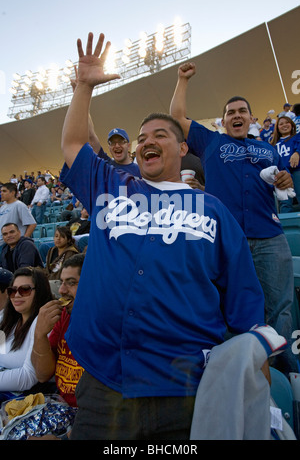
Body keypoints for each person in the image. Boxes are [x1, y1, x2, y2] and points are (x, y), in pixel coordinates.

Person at [59, 32, 267, 440]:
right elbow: (72, 143)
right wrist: (84, 86)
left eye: (160, 135)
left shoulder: (215, 210)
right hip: (105, 383)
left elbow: (244, 299)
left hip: (185, 389)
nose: (147, 142)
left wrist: (255, 362)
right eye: (142, 138)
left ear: (183, 146)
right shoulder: (111, 186)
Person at [170, 61, 299, 376]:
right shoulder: (211, 142)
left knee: (279, 308)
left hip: (269, 236)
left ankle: (283, 373)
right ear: (223, 120)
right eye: (231, 112)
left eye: (242, 111)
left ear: (252, 119)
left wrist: (286, 181)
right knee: (227, 308)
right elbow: (177, 117)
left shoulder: (268, 151)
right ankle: (238, 369)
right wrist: (182, 80)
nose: (237, 115)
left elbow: (283, 180)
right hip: (226, 241)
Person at [32, 254, 85, 407]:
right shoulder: (64, 316)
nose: (61, 290)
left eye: (71, 283)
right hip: (61, 404)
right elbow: (42, 374)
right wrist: (40, 334)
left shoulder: (108, 323)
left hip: (88, 413)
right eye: (62, 282)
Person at [70, 67, 141, 178]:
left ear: (128, 145)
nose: (116, 145)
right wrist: (80, 95)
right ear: (109, 147)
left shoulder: (141, 171)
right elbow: (91, 135)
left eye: (120, 141)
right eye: (112, 143)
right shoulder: (106, 165)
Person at [0, 266, 53, 402]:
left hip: (27, 399)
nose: (17, 295)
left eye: (25, 290)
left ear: (40, 292)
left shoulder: (41, 322)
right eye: (12, 291)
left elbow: (28, 376)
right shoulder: (7, 319)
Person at [270, 116, 300, 213]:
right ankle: (286, 226)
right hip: (282, 174)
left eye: (287, 122)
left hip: (297, 170)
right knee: (285, 202)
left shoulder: (297, 137)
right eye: (281, 124)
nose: (284, 125)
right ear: (277, 128)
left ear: (292, 125)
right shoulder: (273, 145)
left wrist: (297, 153)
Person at [0, 183, 36, 248]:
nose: (1, 193)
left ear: (13, 193)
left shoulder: (19, 205)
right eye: (1, 191)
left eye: (4, 191)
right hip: (3, 243)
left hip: (13, 245)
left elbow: (32, 224)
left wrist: (23, 241)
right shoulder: (2, 207)